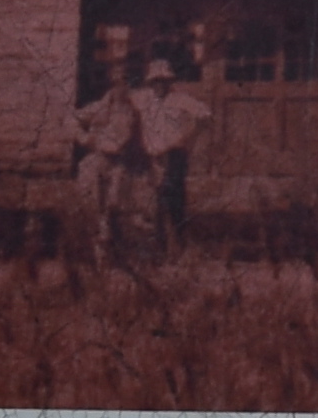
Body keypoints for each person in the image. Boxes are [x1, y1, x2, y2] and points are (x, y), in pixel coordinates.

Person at [135, 39, 212, 243]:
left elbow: (205, 114)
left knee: (174, 197)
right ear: (150, 82)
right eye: (155, 81)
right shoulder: (141, 98)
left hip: (174, 153)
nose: (159, 85)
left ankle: (179, 238)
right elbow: (121, 109)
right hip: (151, 155)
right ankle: (157, 242)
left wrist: (190, 137)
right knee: (153, 199)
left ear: (169, 81)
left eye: (163, 81)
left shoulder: (179, 99)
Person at [69, 58, 145, 261]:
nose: (122, 87)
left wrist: (137, 160)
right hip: (99, 159)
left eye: (126, 83)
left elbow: (137, 140)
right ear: (112, 84)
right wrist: (85, 138)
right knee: (95, 207)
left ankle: (116, 252)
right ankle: (97, 254)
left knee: (115, 206)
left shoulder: (133, 112)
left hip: (119, 163)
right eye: (118, 82)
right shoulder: (99, 107)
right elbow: (72, 119)